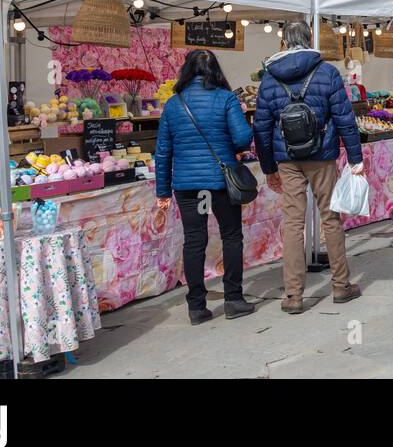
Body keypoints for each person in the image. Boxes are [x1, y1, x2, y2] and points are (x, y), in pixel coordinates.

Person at [253, 20, 364, 315]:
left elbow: (261, 126)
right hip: (322, 154)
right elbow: (344, 119)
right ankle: (341, 286)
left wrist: (268, 167)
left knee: (292, 224)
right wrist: (356, 159)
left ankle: (293, 295)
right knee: (331, 218)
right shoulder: (327, 72)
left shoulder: (269, 78)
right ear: (310, 38)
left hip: (287, 159)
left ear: (284, 42)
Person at [155, 49, 256, 325]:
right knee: (231, 236)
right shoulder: (226, 99)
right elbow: (243, 139)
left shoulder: (173, 105)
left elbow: (163, 152)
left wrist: (162, 192)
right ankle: (233, 299)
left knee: (195, 241)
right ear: (216, 71)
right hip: (220, 183)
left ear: (186, 71)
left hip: (189, 187)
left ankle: (197, 307)